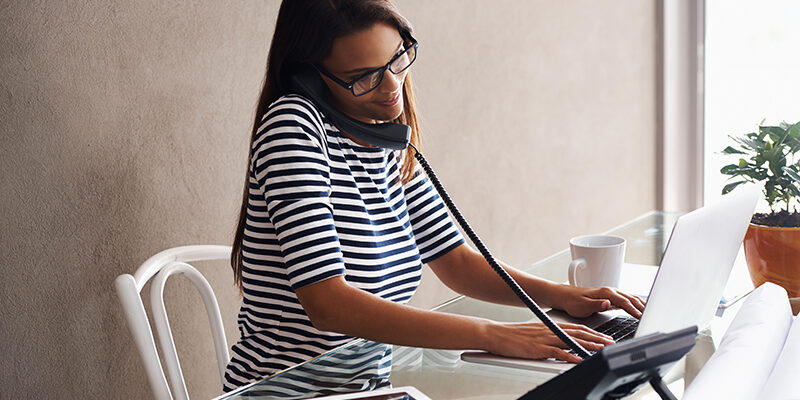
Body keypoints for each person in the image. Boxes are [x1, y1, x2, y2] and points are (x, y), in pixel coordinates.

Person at [224, 0, 645, 392]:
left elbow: (455, 261)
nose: (392, 86)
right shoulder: (292, 129)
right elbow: (328, 304)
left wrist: (559, 295)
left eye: (397, 59)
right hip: (284, 393)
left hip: (368, 392)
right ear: (310, 77)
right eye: (363, 77)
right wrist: (493, 334)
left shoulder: (381, 134)